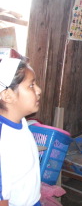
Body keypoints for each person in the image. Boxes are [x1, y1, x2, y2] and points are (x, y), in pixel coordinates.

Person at [0, 55, 42, 206]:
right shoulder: (3, 141)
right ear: (7, 95)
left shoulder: (20, 121)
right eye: (31, 85)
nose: (39, 90)